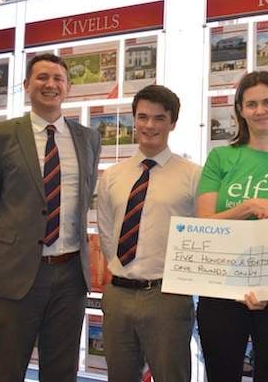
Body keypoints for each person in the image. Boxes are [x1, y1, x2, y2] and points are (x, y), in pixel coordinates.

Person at [0, 53, 101, 382]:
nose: (51, 84)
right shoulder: (1, 135)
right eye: (42, 77)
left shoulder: (88, 138)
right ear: (27, 85)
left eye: (58, 78)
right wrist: (12, 246)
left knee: (62, 371)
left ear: (68, 87)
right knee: (7, 370)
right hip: (15, 273)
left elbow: (84, 195)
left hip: (71, 276)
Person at [196, 70, 268, 382]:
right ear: (240, 110)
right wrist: (247, 207)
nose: (260, 110)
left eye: (267, 102)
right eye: (251, 104)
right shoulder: (220, 159)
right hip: (221, 290)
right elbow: (205, 224)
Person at [97, 84, 200, 382]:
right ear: (134, 119)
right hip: (118, 295)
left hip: (167, 297)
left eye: (159, 118)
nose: (149, 125)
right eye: (142, 117)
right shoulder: (112, 176)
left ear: (172, 123)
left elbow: (202, 232)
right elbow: (106, 233)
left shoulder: (193, 175)